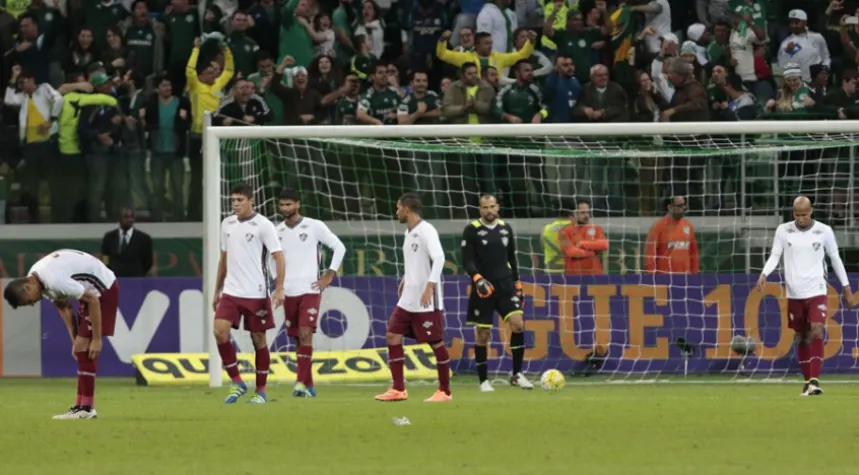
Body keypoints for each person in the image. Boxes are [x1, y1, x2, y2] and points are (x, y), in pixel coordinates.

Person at [3, 249, 120, 420]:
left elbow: (93, 300)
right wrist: (74, 339)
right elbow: (63, 306)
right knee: (80, 347)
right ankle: (82, 407)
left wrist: (96, 339)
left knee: (86, 347)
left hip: (103, 290)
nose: (32, 304)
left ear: (27, 287)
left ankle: (86, 408)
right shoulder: (36, 278)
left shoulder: (54, 280)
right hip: (90, 291)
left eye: (28, 301)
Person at [757, 196, 853, 396]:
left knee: (817, 330)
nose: (801, 218)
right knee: (801, 337)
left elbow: (835, 259)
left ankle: (815, 380)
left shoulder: (824, 231)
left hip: (817, 289)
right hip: (793, 292)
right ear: (793, 213)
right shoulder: (783, 230)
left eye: (804, 214)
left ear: (812, 211)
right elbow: (775, 255)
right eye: (797, 214)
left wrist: (846, 288)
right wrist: (764, 273)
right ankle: (808, 381)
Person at [375, 193, 452, 402]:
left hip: (426, 300)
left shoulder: (427, 230)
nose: (396, 212)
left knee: (436, 343)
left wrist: (430, 285)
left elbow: (439, 258)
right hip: (409, 297)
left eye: (398, 208)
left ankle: (444, 391)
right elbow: (416, 262)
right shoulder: (409, 233)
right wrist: (406, 279)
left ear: (407, 209)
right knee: (392, 334)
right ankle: (398, 388)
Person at [212, 184, 285, 405]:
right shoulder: (227, 224)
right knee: (219, 331)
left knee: (258, 339)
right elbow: (224, 259)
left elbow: (279, 257)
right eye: (233, 200)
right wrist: (217, 289)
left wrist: (279, 287)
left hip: (256, 292)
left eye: (240, 200)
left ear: (251, 201)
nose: (235, 204)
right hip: (232, 292)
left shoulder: (263, 226)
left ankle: (260, 390)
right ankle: (237, 381)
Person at [274, 188, 347, 398]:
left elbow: (339, 247)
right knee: (297, 338)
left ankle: (299, 383)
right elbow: (272, 260)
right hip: (288, 292)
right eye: (282, 205)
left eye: (289, 204)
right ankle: (310, 385)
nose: (285, 208)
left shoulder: (314, 226)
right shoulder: (277, 231)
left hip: (310, 289)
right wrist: (278, 286)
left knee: (306, 333)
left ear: (298, 204)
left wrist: (329, 274)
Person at [460, 194, 533, 391]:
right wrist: (478, 279)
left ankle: (516, 374)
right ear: (480, 209)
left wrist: (517, 283)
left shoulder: (505, 228)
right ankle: (484, 380)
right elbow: (467, 261)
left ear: (498, 207)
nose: (489, 211)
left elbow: (512, 258)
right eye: (485, 207)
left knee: (518, 324)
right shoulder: (472, 229)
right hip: (483, 289)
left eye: (492, 206)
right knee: (483, 334)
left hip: (506, 285)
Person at [644, 195, 700, 274]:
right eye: (680, 206)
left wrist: (695, 273)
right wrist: (652, 276)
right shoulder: (658, 227)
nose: (683, 208)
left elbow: (694, 253)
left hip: (685, 278)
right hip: (664, 278)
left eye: (684, 205)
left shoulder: (688, 226)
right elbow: (650, 254)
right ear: (670, 207)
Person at [559, 201, 609, 275]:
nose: (586, 215)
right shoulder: (563, 231)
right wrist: (592, 252)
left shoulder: (596, 228)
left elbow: (604, 244)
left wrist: (582, 244)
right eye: (582, 213)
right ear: (574, 214)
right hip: (573, 276)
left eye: (588, 212)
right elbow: (571, 252)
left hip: (595, 275)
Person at [100, 208, 153, 277]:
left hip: (136, 278)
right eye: (126, 217)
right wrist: (108, 270)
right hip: (115, 278)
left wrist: (139, 271)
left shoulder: (144, 238)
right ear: (119, 219)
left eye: (131, 217)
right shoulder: (109, 237)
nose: (129, 220)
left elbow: (148, 261)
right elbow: (105, 256)